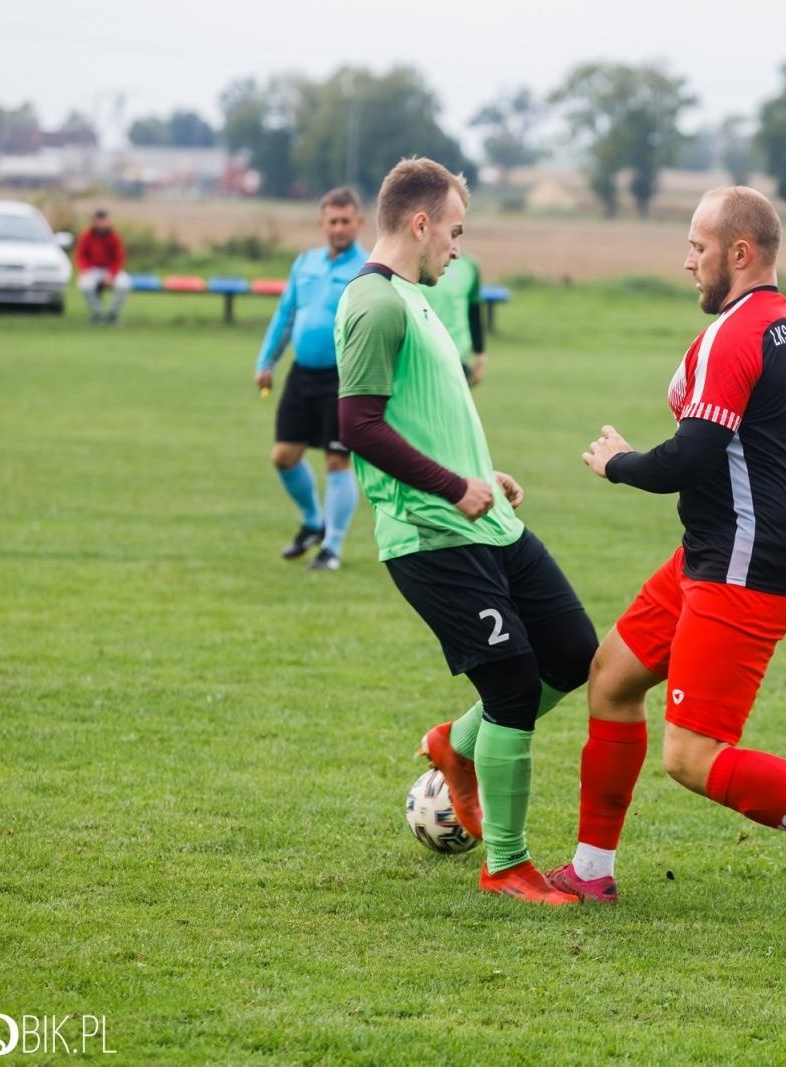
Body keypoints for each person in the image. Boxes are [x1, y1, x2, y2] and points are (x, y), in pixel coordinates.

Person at [544, 187, 786, 938]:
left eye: (698, 246)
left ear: (739, 253)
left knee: (693, 755)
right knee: (612, 678)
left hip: (741, 568)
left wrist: (618, 463)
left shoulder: (736, 333)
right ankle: (590, 870)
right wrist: (762, 490)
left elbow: (691, 455)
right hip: (711, 553)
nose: (688, 261)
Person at [334, 157, 597, 906]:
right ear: (419, 223)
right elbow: (357, 424)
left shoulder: (416, 297)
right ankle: (507, 864)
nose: (458, 244)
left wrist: (485, 471)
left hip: (489, 522)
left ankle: (456, 741)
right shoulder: (374, 302)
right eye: (454, 229)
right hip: (431, 533)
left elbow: (427, 414)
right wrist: (453, 486)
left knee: (574, 655)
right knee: (513, 683)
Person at [254, 188, 369, 571]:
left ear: (359, 223)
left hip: (345, 378)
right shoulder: (305, 264)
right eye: (332, 221)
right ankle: (313, 522)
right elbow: (285, 315)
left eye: (346, 221)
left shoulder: (369, 269)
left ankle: (332, 547)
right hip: (301, 375)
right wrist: (266, 360)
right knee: (284, 456)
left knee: (338, 460)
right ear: (322, 223)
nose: (339, 228)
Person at [426, 251, 488, 387]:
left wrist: (480, 353)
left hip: (458, 356)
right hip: (421, 356)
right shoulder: (413, 264)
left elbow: (474, 308)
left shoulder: (468, 265)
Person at [75, 209, 132, 324]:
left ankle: (113, 314)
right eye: (99, 221)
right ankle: (97, 313)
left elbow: (119, 258)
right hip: (92, 269)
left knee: (124, 284)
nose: (101, 224)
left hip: (109, 269)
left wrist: (111, 275)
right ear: (94, 222)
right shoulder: (87, 236)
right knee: (85, 285)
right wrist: (86, 270)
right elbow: (81, 256)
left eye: (104, 221)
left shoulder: (114, 237)